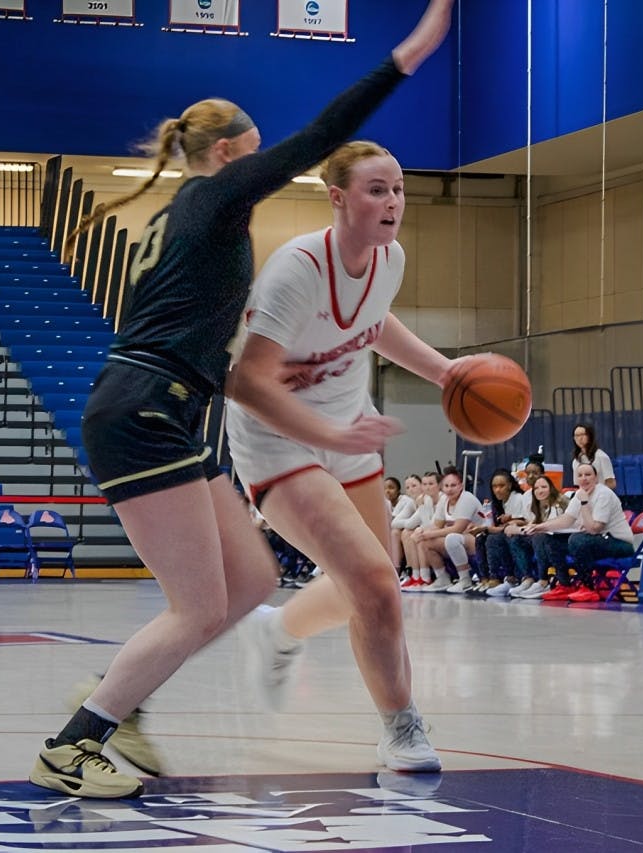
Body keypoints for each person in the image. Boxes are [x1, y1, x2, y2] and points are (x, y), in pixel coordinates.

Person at [27, 0, 457, 799]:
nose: (267, 168)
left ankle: (121, 701)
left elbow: (175, 334)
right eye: (256, 158)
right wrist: (408, 56)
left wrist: (240, 376)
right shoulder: (218, 198)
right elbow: (323, 134)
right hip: (144, 413)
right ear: (227, 155)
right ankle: (75, 740)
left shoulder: (187, 221)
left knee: (253, 585)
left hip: (168, 402)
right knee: (196, 608)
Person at [226, 139, 474, 773]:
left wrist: (446, 372)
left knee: (375, 583)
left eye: (397, 189)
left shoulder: (389, 259)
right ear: (337, 197)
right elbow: (247, 382)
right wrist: (329, 436)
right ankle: (401, 725)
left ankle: (277, 630)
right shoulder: (296, 270)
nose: (392, 201)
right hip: (278, 438)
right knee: (372, 583)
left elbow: (377, 321)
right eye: (376, 189)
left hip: (348, 427)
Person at [531, 462, 635, 602]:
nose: (584, 478)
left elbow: (594, 528)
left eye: (588, 475)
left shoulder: (603, 494)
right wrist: (539, 527)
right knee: (550, 540)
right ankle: (565, 584)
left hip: (620, 544)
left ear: (596, 478)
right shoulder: (579, 494)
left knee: (578, 540)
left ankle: (587, 587)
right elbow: (566, 519)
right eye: (580, 475)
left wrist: (585, 503)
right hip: (597, 541)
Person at [571, 422, 616, 490]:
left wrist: (600, 494)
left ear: (590, 436)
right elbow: (578, 485)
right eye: (577, 435)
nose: (580, 438)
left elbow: (611, 483)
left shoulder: (601, 456)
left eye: (583, 434)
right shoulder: (576, 461)